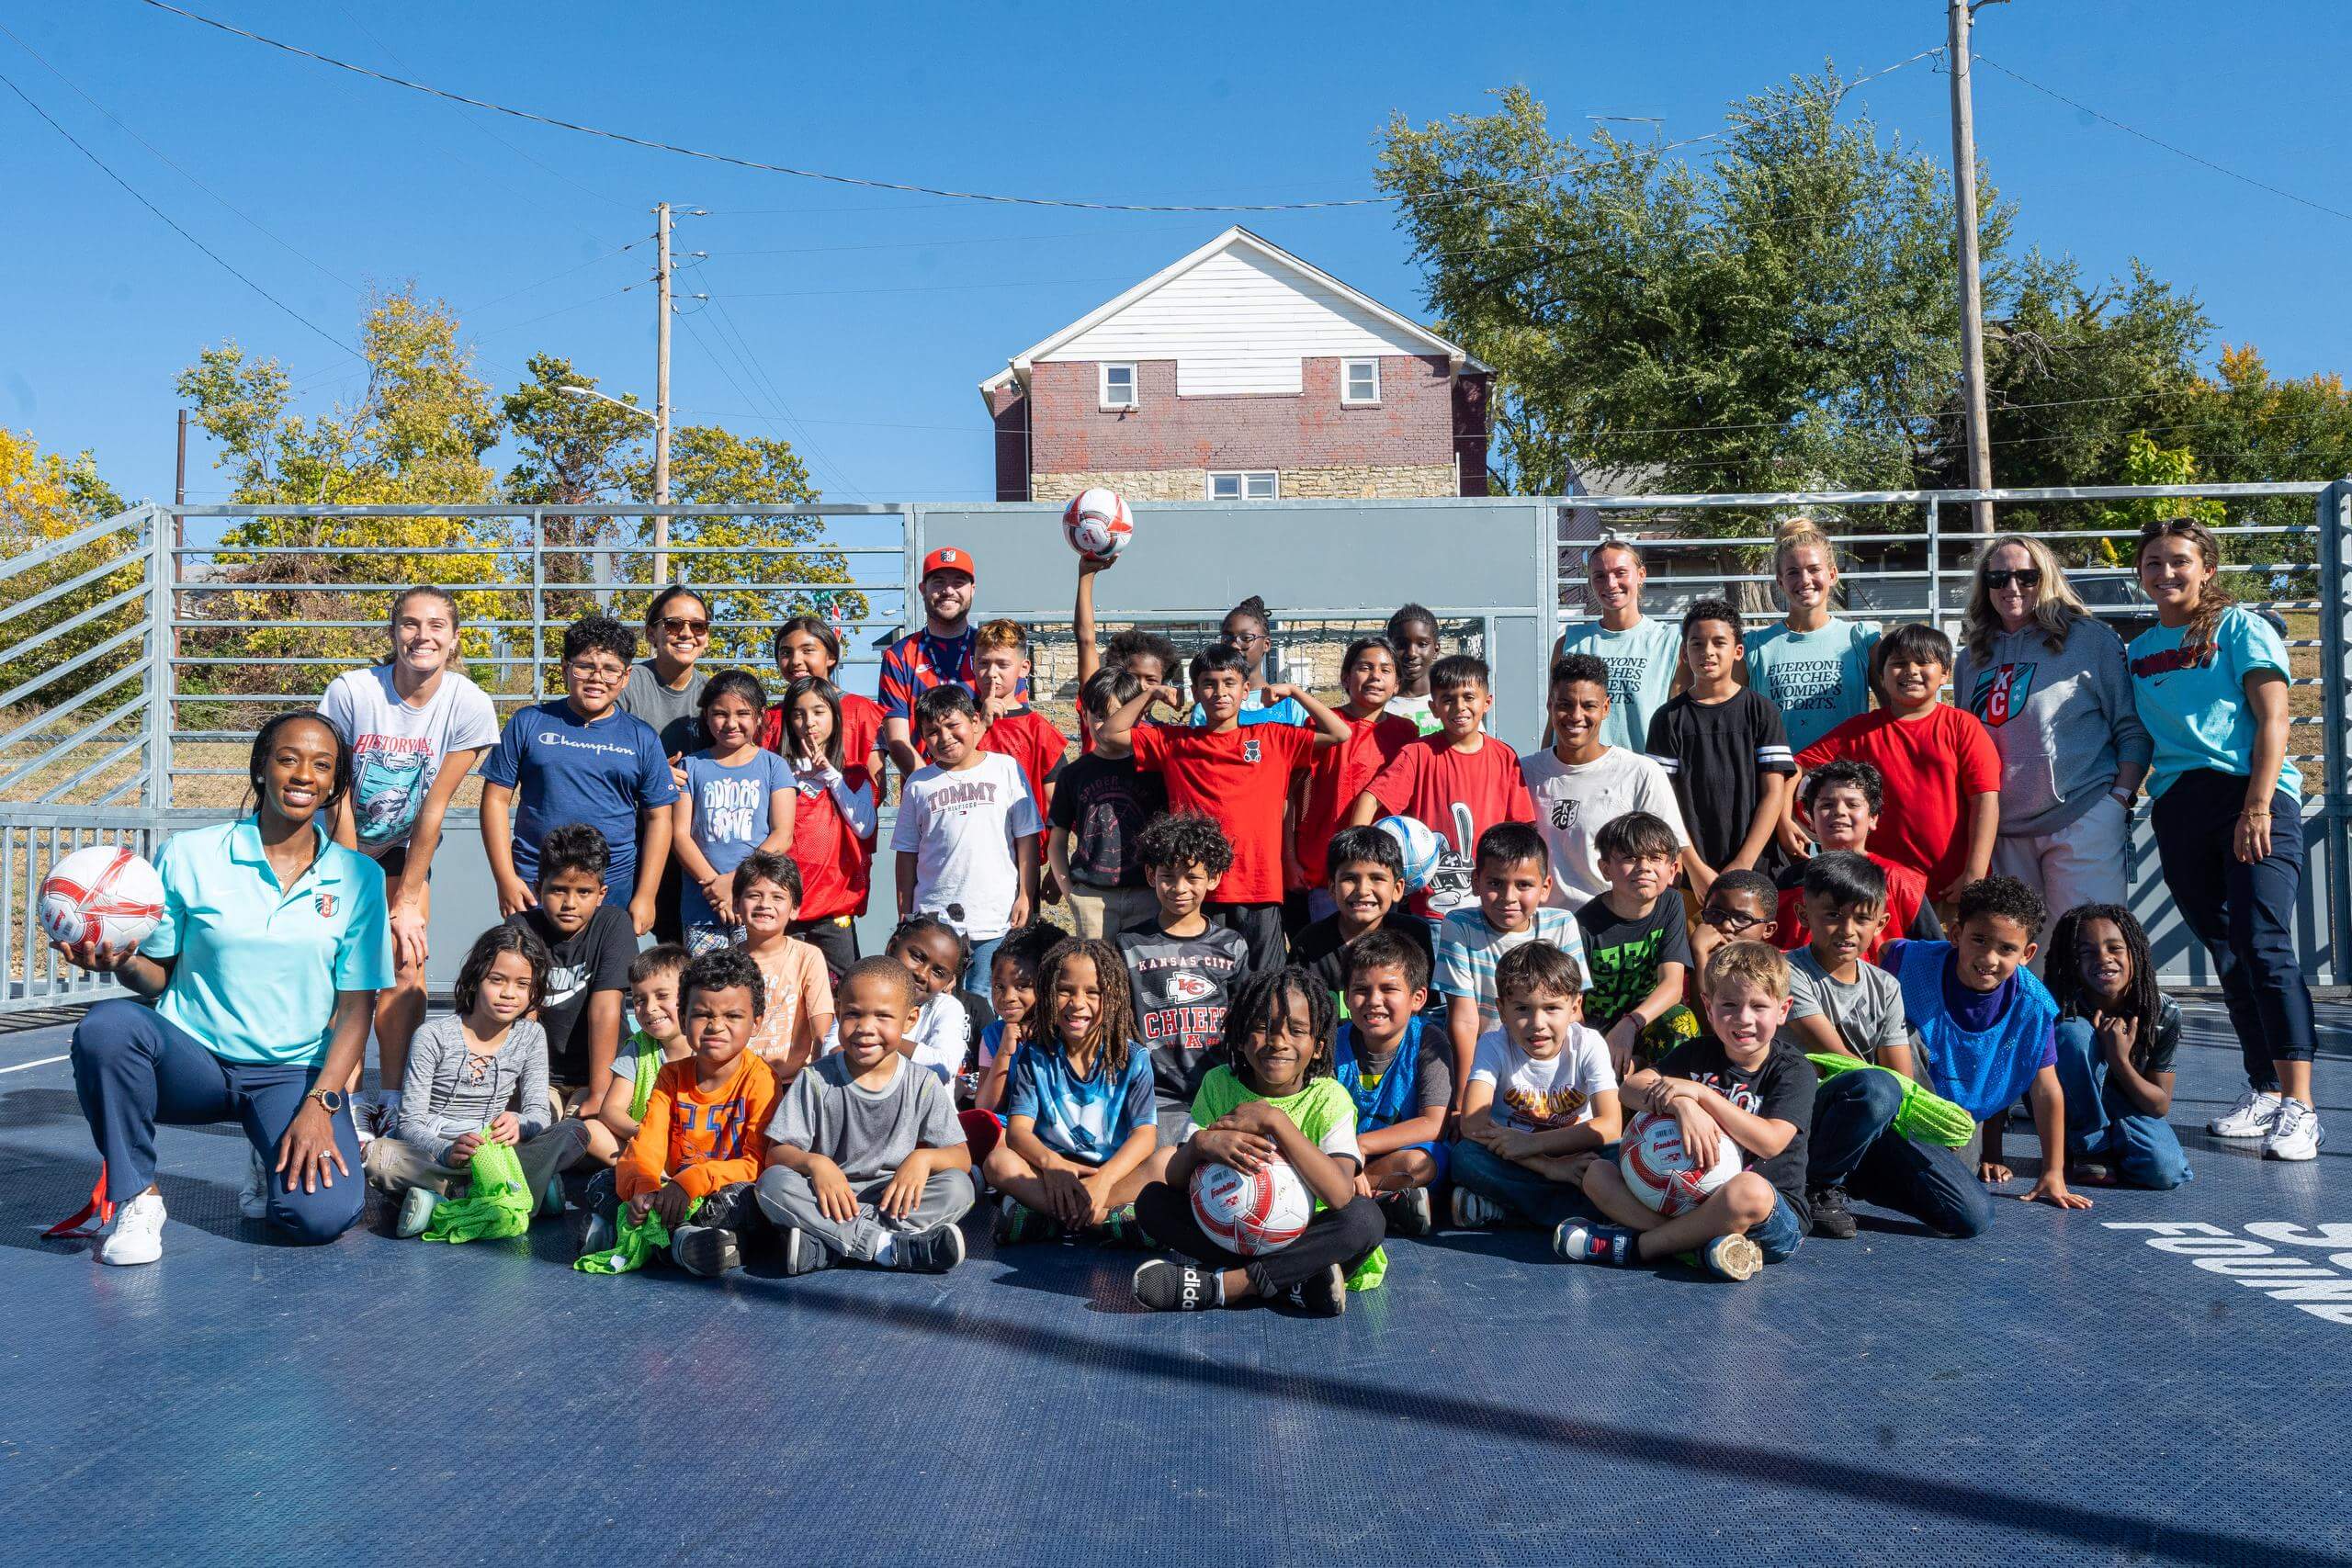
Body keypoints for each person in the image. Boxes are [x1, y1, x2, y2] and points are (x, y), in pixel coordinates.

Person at [55, 711, 390, 1263]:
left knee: (316, 1217)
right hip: (196, 1063)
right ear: (261, 769)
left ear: (335, 784)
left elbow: (357, 1009)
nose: (304, 774)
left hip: (291, 1074)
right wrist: (120, 963)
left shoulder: (359, 878)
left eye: (322, 765)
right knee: (107, 1029)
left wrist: (322, 1104)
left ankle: (268, 1152)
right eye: (288, 759)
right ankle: (138, 1197)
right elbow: (157, 976)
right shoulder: (190, 855)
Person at [2129, 517, 2322, 1159]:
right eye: (2153, 562)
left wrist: (2259, 805)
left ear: (2207, 568)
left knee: (2264, 944)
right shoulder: (2138, 649)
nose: (2166, 573)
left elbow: (2274, 719)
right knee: (2228, 949)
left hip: (2251, 797)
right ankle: (2264, 1087)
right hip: (2181, 807)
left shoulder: (2239, 627)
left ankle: (2302, 1106)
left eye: (2179, 561)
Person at [320, 583, 498, 1135]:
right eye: (410, 624)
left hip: (406, 845)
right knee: (341, 969)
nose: (422, 636)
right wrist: (355, 889)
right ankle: (338, 1098)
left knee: (406, 959)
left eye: (436, 626)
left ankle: (394, 1098)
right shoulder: (353, 692)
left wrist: (405, 903)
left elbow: (434, 808)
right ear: (393, 632)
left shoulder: (467, 703)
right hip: (335, 840)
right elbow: (337, 794)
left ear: (454, 639)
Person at [1131, 967, 1386, 1315]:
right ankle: (1293, 1283)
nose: (1277, 1041)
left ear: (1317, 1047)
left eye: (1296, 1030)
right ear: (1238, 1037)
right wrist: (1200, 1145)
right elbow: (1175, 1177)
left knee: (1364, 1220)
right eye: (1262, 1027)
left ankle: (1227, 1287)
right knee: (1151, 1202)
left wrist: (1275, 1121)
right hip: (1231, 1233)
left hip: (1309, 1237)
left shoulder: (1330, 1098)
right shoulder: (1219, 1084)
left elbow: (1340, 1193)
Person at [1560, 942, 1816, 1282]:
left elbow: (1770, 1142)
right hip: (1683, 1205)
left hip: (1764, 1218)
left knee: (1748, 1189)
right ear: (1708, 1009)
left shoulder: (1792, 1070)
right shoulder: (1697, 1054)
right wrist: (1680, 1103)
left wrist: (1700, 1095)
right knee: (1597, 1174)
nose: (1743, 1018)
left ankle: (1641, 1247)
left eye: (1759, 1006)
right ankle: (1696, 1247)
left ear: (1783, 1010)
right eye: (1729, 1005)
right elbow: (1630, 1088)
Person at [1096, 649, 1348, 971]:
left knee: (1262, 985)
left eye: (1229, 683)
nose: (1220, 692)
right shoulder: (1175, 742)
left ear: (1245, 690)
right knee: (1206, 981)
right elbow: (1109, 734)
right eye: (1209, 684)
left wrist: (1296, 693)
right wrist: (1151, 693)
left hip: (1259, 888)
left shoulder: (1272, 737)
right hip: (1199, 888)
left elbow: (1340, 733)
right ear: (1197, 692)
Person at [1784, 853, 1989, 1244]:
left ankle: (1850, 1172)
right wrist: (1906, 1097)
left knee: (1972, 1214)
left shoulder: (1885, 986)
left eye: (1861, 919)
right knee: (1876, 1086)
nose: (1846, 930)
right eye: (1832, 915)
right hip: (1802, 1116)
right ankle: (1816, 1186)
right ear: (1803, 913)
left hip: (1869, 1111)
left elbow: (1903, 1079)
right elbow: (1840, 1062)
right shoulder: (1786, 972)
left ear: (1880, 923)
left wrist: (1939, 1115)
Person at [1952, 535, 2150, 919]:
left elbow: (2132, 727)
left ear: (2047, 577)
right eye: (1999, 578)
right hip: (2002, 832)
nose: (2012, 588)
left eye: (2027, 577)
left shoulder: (2091, 639)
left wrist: (2118, 800)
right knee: (2022, 962)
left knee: (2085, 949)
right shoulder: (1972, 657)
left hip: (2081, 820)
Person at [754, 955, 975, 1276]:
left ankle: (828, 1246)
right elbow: (776, 1154)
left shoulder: (923, 1082)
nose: (865, 1028)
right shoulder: (815, 1079)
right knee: (772, 1184)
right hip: (828, 1198)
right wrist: (817, 1164)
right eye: (853, 1014)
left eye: (883, 1016)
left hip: (894, 1200)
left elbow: (962, 1158)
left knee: (959, 1187)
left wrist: (923, 1161)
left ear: (909, 1020)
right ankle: (889, 1247)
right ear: (838, 1012)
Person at [367, 923, 586, 1238]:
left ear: (534, 990)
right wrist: (445, 1150)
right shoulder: (433, 1036)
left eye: (522, 984)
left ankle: (444, 1204)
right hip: (441, 1155)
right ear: (475, 980)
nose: (509, 993)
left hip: (499, 1152)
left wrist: (520, 1123)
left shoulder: (531, 1035)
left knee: (575, 1132)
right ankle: (520, 1194)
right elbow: (410, 1122)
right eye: (497, 980)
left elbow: (539, 1112)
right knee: (379, 1157)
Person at [1884, 876, 2089, 1213]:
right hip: (1901, 1103)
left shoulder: (2034, 1005)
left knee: (1961, 1203)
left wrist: (2052, 1171)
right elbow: (1888, 948)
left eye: (2006, 948)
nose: (1990, 958)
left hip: (1958, 1118)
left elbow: (2046, 1089)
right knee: (1898, 1031)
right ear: (1955, 935)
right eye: (1979, 940)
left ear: (2027, 954)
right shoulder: (1912, 963)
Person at [586, 948, 779, 1278]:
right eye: (702, 1014)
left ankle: (660, 1240)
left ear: (756, 1023)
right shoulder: (671, 1075)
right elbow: (647, 1143)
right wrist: (643, 1188)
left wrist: (691, 1182)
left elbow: (756, 1163)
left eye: (733, 1016)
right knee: (603, 1182)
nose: (716, 1026)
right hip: (667, 1190)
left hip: (717, 1190)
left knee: (751, 1198)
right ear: (684, 1017)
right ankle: (687, 1243)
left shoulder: (761, 1080)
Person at [481, 613, 677, 934]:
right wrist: (505, 877)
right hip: (535, 884)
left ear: (625, 677)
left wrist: (646, 895)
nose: (597, 678)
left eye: (610, 669)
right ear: (565, 668)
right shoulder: (528, 722)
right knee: (531, 977)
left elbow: (659, 818)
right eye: (585, 666)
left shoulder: (641, 737)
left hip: (613, 887)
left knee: (606, 982)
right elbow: (495, 800)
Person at [1797, 625, 2000, 906]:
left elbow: (1985, 800)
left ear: (1945, 674)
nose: (1911, 671)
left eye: (1923, 662)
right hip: (1882, 890)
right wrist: (1786, 820)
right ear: (1881, 675)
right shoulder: (1858, 731)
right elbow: (1795, 767)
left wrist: (1974, 873)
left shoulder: (1962, 726)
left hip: (1952, 889)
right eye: (1899, 663)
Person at [985, 938, 1161, 1246]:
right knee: (998, 1163)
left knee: (1167, 1162)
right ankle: (1103, 1222)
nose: (1077, 1003)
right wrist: (1053, 1164)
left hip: (1111, 1176)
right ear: (1048, 994)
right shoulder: (1035, 1056)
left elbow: (1145, 1136)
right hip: (1051, 1177)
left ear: (1115, 997)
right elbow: (1017, 1133)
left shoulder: (1134, 1058)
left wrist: (1103, 1180)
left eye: (1093, 992)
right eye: (1065, 990)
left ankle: (1049, 1221)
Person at [1347, 653, 1535, 924]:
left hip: (1491, 907)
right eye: (1448, 699)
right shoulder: (1417, 754)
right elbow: (1370, 799)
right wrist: (1359, 858)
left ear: (1487, 702)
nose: (1460, 707)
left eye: (1469, 697)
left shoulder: (1504, 757)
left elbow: (1523, 828)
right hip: (1431, 909)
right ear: (1434, 707)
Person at [1450, 942, 1622, 1235]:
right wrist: (1548, 1166)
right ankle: (1586, 1213)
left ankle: (1512, 1212)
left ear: (1575, 1007)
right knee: (1465, 1157)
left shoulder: (1589, 1044)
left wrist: (1534, 1143)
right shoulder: (1493, 1045)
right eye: (1522, 1009)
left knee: (1621, 1156)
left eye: (1552, 1008)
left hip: (1577, 1152)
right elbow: (1473, 1124)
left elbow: (1611, 1126)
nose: (1537, 1023)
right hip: (1519, 1161)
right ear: (1501, 1010)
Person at [893, 683, 1040, 990]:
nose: (944, 737)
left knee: (984, 998)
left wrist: (1026, 894)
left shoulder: (1006, 769)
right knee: (934, 1000)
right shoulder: (918, 784)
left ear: (975, 722)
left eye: (952, 725)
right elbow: (906, 854)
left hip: (993, 916)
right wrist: (905, 913)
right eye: (932, 732)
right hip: (933, 921)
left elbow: (1026, 837)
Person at [1646, 598, 1795, 898]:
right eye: (1697, 644)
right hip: (1692, 878)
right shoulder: (1668, 718)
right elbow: (1662, 802)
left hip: (1756, 873)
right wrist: (1694, 867)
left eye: (1719, 642)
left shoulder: (1761, 711)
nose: (1708, 652)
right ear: (1685, 654)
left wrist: (1744, 863)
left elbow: (1773, 793)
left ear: (1738, 651)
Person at [1434, 823, 1586, 1118]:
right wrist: (1465, 1098)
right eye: (1495, 883)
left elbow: (1573, 1012)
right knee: (1472, 1153)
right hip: (1487, 1062)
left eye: (1524, 885)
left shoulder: (1562, 924)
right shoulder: (1459, 926)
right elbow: (1464, 1019)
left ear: (1545, 888)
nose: (1508, 896)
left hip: (1548, 1061)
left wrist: (1562, 1080)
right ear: (1475, 882)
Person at [1116, 812, 1252, 1141]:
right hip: (1154, 1095)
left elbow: (1245, 1020)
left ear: (1214, 878)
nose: (1179, 888)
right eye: (1168, 876)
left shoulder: (1231, 946)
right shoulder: (1128, 945)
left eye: (1192, 877)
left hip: (1219, 1090)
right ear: (1151, 875)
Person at [1521, 652, 1687, 911]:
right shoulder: (1523, 772)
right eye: (1565, 704)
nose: (1576, 716)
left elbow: (1670, 862)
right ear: (1550, 706)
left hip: (1610, 932)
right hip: (1542, 930)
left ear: (1606, 708)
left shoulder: (1640, 773)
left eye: (1588, 706)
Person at [2044, 903, 2191, 1191]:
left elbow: (2159, 1105)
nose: (2104, 959)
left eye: (2115, 948)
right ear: (2072, 961)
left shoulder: (2162, 1011)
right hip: (2068, 1104)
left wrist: (2120, 1061)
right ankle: (2090, 1148)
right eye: (2087, 952)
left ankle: (2114, 1144)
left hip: (2124, 1103)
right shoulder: (2057, 1004)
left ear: (2135, 952)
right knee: (2072, 1034)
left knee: (2164, 1171)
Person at [504, 825, 635, 1122]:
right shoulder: (520, 927)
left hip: (601, 1075)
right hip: (543, 1074)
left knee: (585, 1132)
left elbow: (605, 1010)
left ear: (601, 894)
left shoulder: (613, 924)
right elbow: (527, 1014)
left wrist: (599, 1093)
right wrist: (531, 1090)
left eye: (583, 892)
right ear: (538, 889)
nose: (569, 903)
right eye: (558, 890)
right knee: (537, 1127)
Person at [1288, 636, 1418, 927]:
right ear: (1346, 678)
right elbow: (1290, 797)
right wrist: (1290, 858)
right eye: (1365, 667)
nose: (1375, 676)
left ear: (1397, 684)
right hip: (1325, 870)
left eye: (1385, 670)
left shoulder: (1407, 733)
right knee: (1332, 958)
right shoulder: (1321, 726)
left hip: (1382, 869)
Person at [1333, 931, 1451, 1235]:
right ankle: (1385, 1202)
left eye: (1388, 989)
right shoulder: (1333, 1043)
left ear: (1417, 999)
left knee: (1422, 1162)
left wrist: (1360, 1146)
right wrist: (1345, 1156)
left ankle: (1345, 1194)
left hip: (1387, 1158)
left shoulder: (1427, 1040)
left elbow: (1433, 1123)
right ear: (1346, 997)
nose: (1373, 1001)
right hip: (1338, 1157)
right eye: (1361, 988)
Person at [671, 670, 795, 954]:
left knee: (754, 988)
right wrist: (716, 889)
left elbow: (782, 834)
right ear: (706, 715)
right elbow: (680, 836)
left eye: (742, 713)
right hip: (701, 909)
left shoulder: (774, 766)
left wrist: (736, 883)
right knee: (706, 988)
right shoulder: (691, 766)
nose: (731, 723)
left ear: (760, 715)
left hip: (757, 903)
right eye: (720, 714)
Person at [616, 585, 712, 946]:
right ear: (651, 633)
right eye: (674, 625)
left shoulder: (714, 696)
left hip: (690, 844)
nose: (686, 634)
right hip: (630, 836)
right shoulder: (627, 684)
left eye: (697, 626)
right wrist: (653, 774)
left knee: (678, 951)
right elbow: (598, 749)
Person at [1772, 761, 1943, 962]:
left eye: (1852, 804)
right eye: (1826, 805)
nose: (1839, 812)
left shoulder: (1901, 881)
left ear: (1873, 818)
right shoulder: (1790, 881)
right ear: (1810, 819)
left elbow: (1934, 953)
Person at [879, 545, 1024, 775]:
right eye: (938, 582)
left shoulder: (995, 651)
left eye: (958, 582)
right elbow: (898, 740)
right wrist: (933, 784)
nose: (949, 590)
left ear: (972, 590)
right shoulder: (899, 656)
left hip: (990, 789)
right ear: (922, 589)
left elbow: (1015, 725)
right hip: (930, 795)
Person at [1745, 518, 1881, 756]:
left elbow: (1896, 716)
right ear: (1780, 581)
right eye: (1793, 572)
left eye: (1814, 569)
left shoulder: (1861, 640)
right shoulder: (1754, 648)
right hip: (1781, 784)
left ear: (1832, 574)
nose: (1805, 580)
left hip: (1844, 785)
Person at [774, 674, 879, 982]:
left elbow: (864, 826)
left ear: (835, 715)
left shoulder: (854, 773)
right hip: (785, 907)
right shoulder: (775, 770)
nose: (809, 722)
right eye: (798, 714)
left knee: (847, 989)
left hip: (835, 909)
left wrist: (831, 776)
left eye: (818, 712)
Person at [1049, 668, 1169, 939]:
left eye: (1115, 715)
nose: (1104, 725)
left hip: (1146, 895)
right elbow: (1057, 840)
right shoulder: (1073, 774)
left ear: (1136, 715)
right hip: (1091, 896)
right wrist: (1071, 893)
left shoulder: (1153, 769)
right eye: (1098, 716)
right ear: (1085, 715)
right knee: (1096, 977)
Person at [1574, 813, 1697, 1071]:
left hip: (1645, 1020)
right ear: (1605, 868)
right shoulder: (1581, 925)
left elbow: (1672, 987)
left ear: (1672, 869)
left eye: (1655, 858)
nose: (1644, 867)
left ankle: (1672, 1100)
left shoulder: (1671, 903)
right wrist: (1597, 1049)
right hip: (1597, 1034)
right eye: (1630, 858)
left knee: (1680, 1022)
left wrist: (1629, 1025)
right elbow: (1571, 1006)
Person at [1553, 539, 1685, 751]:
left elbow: (1681, 722)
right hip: (1577, 775)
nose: (1611, 583)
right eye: (1600, 576)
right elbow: (1554, 718)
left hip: (1644, 773)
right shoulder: (1570, 643)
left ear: (1641, 575)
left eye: (1620, 572)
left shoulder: (1670, 641)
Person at [1287, 824, 1435, 1003]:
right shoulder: (1308, 945)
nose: (1363, 890)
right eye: (1350, 878)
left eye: (1377, 878)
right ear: (1332, 888)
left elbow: (1428, 1010)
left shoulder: (1415, 935)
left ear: (1397, 889)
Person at [973, 618, 1069, 887]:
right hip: (965, 853)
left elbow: (1057, 805)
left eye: (1002, 664)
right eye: (983, 663)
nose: (992, 673)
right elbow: (943, 769)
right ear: (972, 664)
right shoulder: (959, 720)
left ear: (1023, 668)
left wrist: (1056, 866)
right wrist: (982, 722)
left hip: (1021, 861)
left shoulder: (1038, 729)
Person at [963, 924, 1065, 1165]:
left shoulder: (1066, 1030)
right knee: (975, 1131)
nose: (1007, 997)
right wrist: (1005, 1051)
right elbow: (987, 1105)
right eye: (999, 986)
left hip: (1058, 1131)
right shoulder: (993, 1036)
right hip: (1010, 1134)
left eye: (1022, 986)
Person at [734, 852, 835, 1089]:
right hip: (737, 1084)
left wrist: (820, 1087)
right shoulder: (725, 962)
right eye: (754, 895)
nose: (764, 904)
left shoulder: (807, 956)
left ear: (795, 909)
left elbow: (822, 1032)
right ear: (737, 904)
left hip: (793, 1083)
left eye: (778, 897)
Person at [763, 614, 888, 795]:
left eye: (807, 650)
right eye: (786, 652)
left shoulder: (861, 710)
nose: (796, 661)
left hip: (847, 821)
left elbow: (876, 786)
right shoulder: (771, 717)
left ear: (831, 656)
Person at [848, 916, 976, 1084]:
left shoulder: (947, 1008)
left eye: (938, 973)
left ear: (949, 981)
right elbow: (832, 1051)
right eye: (917, 957)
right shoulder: (863, 990)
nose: (922, 974)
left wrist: (882, 1039)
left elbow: (942, 1069)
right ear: (892, 947)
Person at [1072, 552, 1182, 746]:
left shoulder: (1161, 737)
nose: (1141, 686)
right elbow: (1086, 641)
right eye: (1133, 676)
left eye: (1151, 680)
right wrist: (1086, 576)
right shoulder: (1098, 713)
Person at [594, 943, 692, 1156]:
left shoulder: (708, 1047)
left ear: (688, 995)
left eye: (662, 995)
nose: (650, 1008)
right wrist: (644, 1134)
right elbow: (611, 1110)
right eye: (640, 1000)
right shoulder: (638, 1047)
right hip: (643, 1141)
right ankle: (653, 1174)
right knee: (592, 1131)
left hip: (694, 1144)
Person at [1183, 595, 1308, 728]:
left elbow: (1329, 735)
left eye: (1246, 638)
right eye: (1227, 638)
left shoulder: (1290, 706)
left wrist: (1295, 691)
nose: (1234, 645)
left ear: (1266, 644)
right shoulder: (1209, 706)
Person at [1686, 870, 1780, 1027]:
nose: (1726, 925)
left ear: (1768, 929)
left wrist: (1699, 954)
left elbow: (1712, 1028)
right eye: (1715, 914)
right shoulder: (1680, 967)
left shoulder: (1775, 972)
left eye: (1743, 918)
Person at [1382, 603, 1445, 736]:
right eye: (1401, 644)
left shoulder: (1452, 703)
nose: (1411, 653)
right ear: (1389, 649)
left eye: (1422, 644)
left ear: (1436, 650)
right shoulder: (1378, 708)